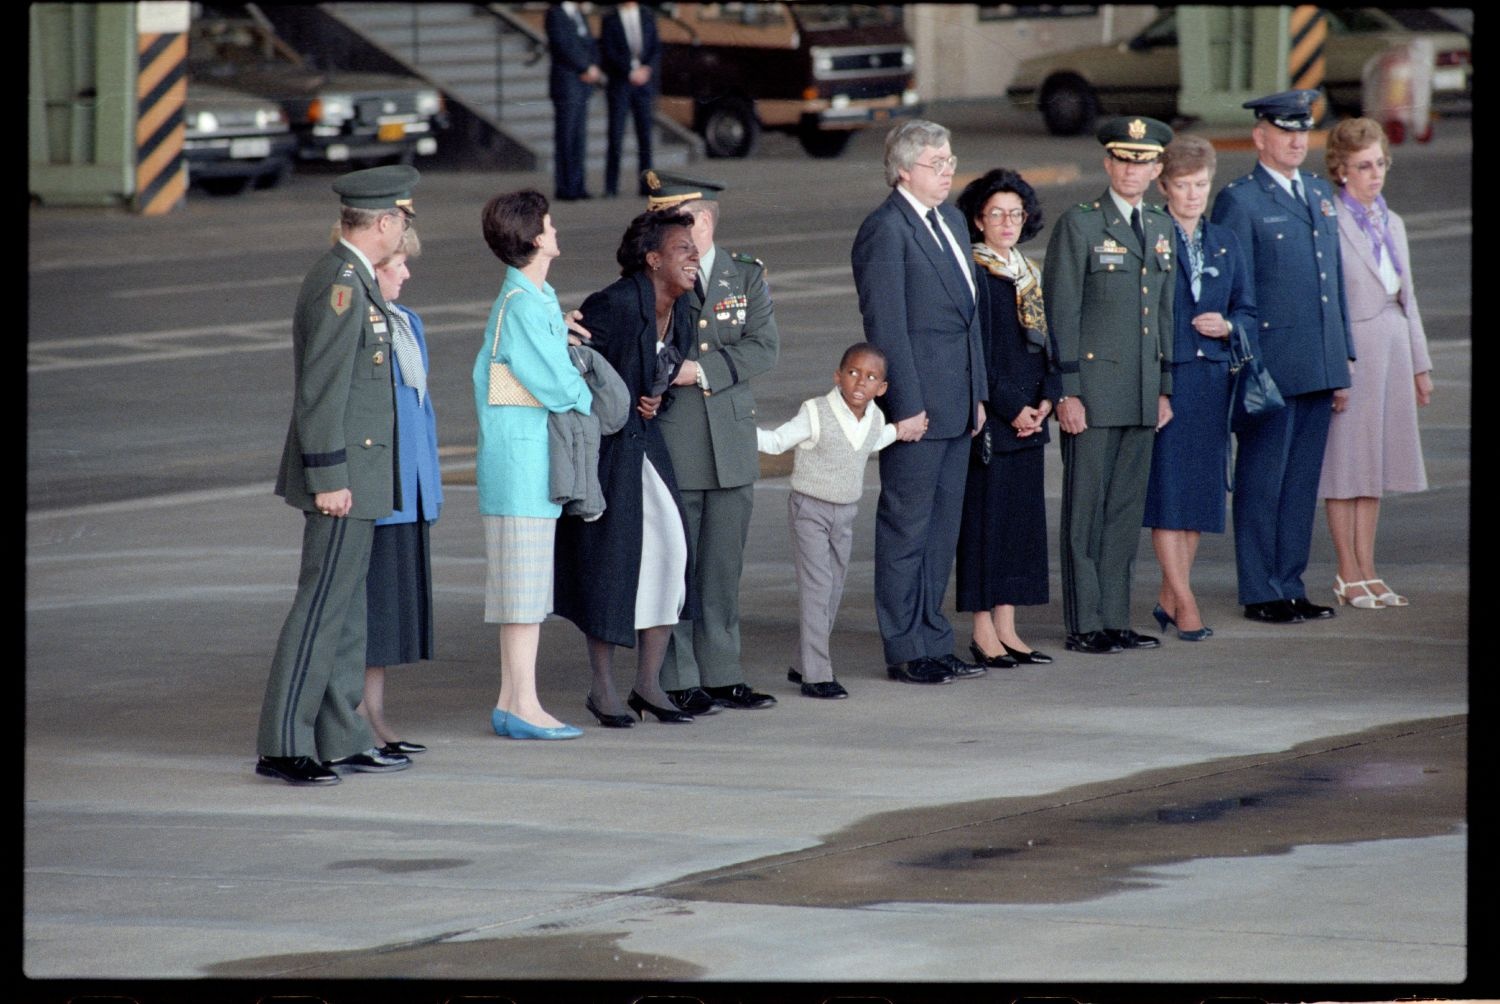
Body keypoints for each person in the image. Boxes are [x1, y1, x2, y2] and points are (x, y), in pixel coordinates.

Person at [255, 165, 420, 786]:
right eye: (402, 220)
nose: (404, 230)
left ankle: (339, 735)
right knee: (320, 608)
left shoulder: (355, 279)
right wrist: (328, 475)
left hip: (361, 474)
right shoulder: (341, 283)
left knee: (346, 614)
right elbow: (322, 392)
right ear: (383, 222)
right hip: (340, 477)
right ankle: (283, 741)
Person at [850, 119, 989, 685]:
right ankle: (905, 648)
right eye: (937, 162)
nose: (949, 168)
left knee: (941, 530)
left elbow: (969, 320)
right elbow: (886, 326)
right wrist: (902, 403)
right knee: (907, 528)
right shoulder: (887, 229)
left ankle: (932, 637)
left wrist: (978, 391)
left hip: (958, 402)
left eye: (951, 158)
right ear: (904, 169)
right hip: (918, 407)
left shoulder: (951, 220)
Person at [1211, 89, 1355, 625]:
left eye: (1303, 131)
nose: (1297, 141)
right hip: (1268, 368)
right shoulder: (1241, 200)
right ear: (1260, 136)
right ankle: (1259, 589)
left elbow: (1332, 285)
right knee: (1262, 482)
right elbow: (1235, 293)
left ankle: (1290, 583)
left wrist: (1343, 359)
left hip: (1317, 362)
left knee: (1299, 486)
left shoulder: (1317, 192)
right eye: (1286, 131)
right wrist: (1247, 363)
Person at [553, 209, 699, 725]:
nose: (694, 255)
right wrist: (608, 405)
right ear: (652, 259)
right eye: (683, 248)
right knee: (609, 565)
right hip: (608, 455)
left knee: (670, 555)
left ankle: (648, 684)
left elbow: (666, 375)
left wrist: (658, 401)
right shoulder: (613, 305)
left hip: (646, 446)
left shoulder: (682, 308)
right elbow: (569, 370)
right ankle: (602, 689)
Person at [642, 171, 780, 713]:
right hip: (677, 439)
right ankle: (676, 676)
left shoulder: (743, 276)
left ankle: (723, 671)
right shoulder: (655, 273)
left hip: (730, 440)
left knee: (723, 568)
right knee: (679, 565)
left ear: (701, 220)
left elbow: (763, 348)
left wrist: (698, 370)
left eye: (672, 220)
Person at [1043, 115, 1175, 655]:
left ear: (1157, 169)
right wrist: (1066, 390)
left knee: (1124, 510)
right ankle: (1086, 622)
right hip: (1093, 392)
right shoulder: (1081, 224)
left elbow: (1163, 313)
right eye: (1123, 159)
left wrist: (1165, 387)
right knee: (1086, 509)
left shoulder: (1162, 226)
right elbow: (1061, 311)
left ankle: (1117, 616)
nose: (1132, 170)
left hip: (1143, 391)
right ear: (1107, 163)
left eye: (1142, 162)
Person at [473, 189, 593, 741]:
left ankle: (512, 700)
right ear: (535, 237)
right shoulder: (522, 305)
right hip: (521, 465)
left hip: (526, 462)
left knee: (523, 591)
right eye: (549, 222)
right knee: (523, 595)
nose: (555, 229)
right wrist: (590, 396)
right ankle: (523, 705)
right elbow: (555, 383)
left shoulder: (533, 299)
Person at [1141, 136, 1256, 641]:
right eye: (1183, 185)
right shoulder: (1148, 235)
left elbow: (1248, 308)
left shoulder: (1226, 240)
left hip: (1213, 380)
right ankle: (1185, 602)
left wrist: (1230, 327)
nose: (1193, 195)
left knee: (1198, 493)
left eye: (1202, 184)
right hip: (1169, 376)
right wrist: (1156, 386)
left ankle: (1170, 595)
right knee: (1168, 490)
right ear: (1164, 185)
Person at [1317, 117, 1433, 609]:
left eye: (1380, 163)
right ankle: (1347, 570)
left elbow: (1410, 298)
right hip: (1355, 349)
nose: (1375, 174)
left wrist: (1420, 365)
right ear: (1341, 170)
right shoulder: (1329, 221)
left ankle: (1369, 567)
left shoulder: (1393, 221)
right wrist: (1334, 365)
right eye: (1364, 166)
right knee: (1347, 464)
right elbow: (1326, 301)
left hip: (1394, 344)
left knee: (1378, 462)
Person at [953, 167, 1061, 668]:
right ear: (977, 220)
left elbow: (1046, 345)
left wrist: (1046, 400)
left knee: (1020, 526)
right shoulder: (975, 274)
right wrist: (1011, 406)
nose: (1007, 222)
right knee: (985, 526)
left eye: (1015, 214)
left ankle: (1008, 627)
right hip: (994, 420)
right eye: (996, 214)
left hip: (1030, 419)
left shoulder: (1028, 273)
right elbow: (978, 352)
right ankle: (981, 631)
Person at [757, 342, 899, 699]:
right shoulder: (816, 412)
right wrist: (736, 427)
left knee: (834, 589)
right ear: (838, 376)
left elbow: (874, 442)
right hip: (810, 510)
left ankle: (803, 661)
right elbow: (776, 442)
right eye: (853, 373)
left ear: (881, 388)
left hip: (845, 514)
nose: (860, 383)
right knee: (818, 587)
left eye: (870, 377)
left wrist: (903, 429)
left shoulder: (875, 417)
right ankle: (817, 675)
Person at [360, 225, 443, 754]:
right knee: (368, 614)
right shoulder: (363, 323)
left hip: (407, 490)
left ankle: (375, 712)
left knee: (388, 618)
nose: (407, 273)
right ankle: (359, 717)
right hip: (377, 491)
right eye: (398, 264)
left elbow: (422, 411)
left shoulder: (407, 321)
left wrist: (428, 488)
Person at [600, 1, 660, 199]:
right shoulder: (610, 19)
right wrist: (629, 71)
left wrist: (646, 69)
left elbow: (655, 47)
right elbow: (607, 51)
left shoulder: (647, 15)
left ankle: (647, 186)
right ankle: (611, 186)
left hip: (644, 84)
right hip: (620, 84)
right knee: (615, 136)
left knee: (645, 137)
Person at [545, 2, 602, 202]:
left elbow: (590, 42)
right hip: (566, 84)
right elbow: (562, 46)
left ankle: (578, 185)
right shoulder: (555, 14)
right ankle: (565, 187)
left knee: (579, 138)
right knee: (566, 138)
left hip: (582, 85)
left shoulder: (579, 14)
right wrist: (585, 67)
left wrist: (594, 66)